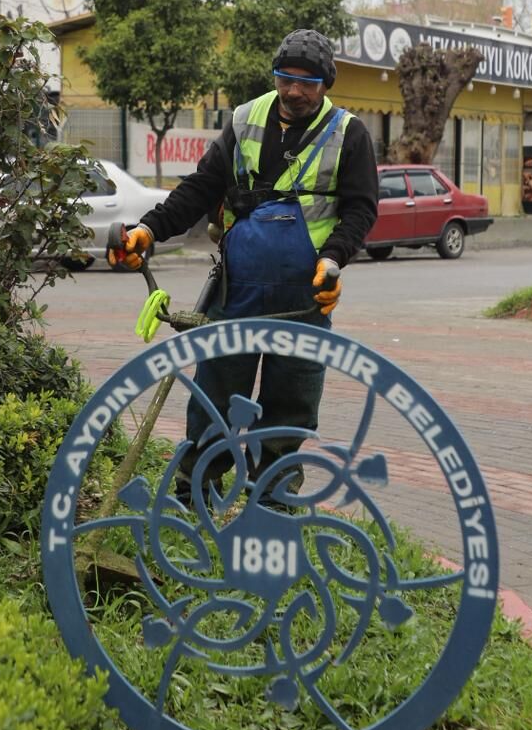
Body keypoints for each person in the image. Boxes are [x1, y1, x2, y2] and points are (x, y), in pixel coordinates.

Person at [109, 29, 379, 503]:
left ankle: (274, 502)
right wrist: (149, 230)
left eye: (307, 82)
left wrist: (333, 258)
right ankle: (195, 494)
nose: (294, 91)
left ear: (326, 84)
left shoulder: (349, 133)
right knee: (214, 392)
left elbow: (361, 209)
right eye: (284, 78)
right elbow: (201, 188)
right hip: (236, 290)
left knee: (291, 401)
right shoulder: (244, 119)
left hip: (305, 295)